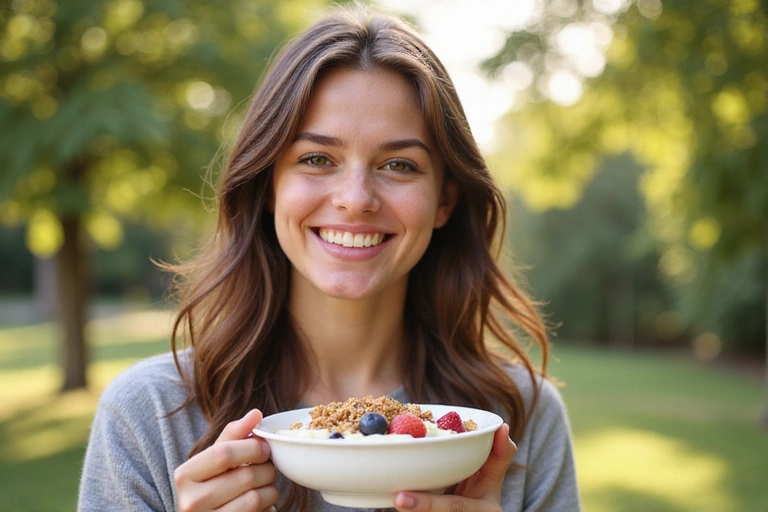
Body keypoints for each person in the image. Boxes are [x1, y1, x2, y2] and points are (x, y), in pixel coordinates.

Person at [78, 6, 580, 512]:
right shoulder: (149, 417)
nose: (355, 198)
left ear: (444, 201)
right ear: (269, 186)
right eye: (317, 159)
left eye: (399, 165)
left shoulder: (518, 419)